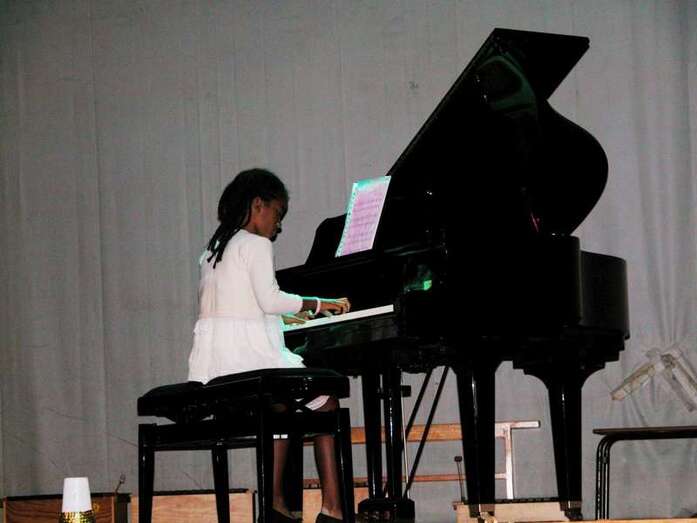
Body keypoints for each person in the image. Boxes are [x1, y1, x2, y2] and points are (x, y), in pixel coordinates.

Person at [187, 168, 350, 523]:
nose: (279, 225)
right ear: (258, 204)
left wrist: (287, 319)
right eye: (278, 213)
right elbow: (270, 299)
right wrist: (316, 303)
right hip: (249, 364)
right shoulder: (256, 244)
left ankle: (275, 503)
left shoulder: (213, 250)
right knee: (326, 403)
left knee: (279, 407)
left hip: (214, 369)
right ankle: (333, 509)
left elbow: (239, 308)